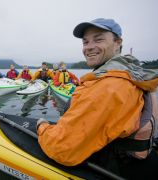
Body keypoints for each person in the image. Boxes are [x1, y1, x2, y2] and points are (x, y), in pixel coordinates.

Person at [36, 18, 158, 179]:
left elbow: (61, 148)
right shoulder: (132, 75)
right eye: (85, 42)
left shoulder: (109, 86)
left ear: (117, 43)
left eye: (98, 39)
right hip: (136, 161)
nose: (89, 47)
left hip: (115, 167)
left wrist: (42, 126)